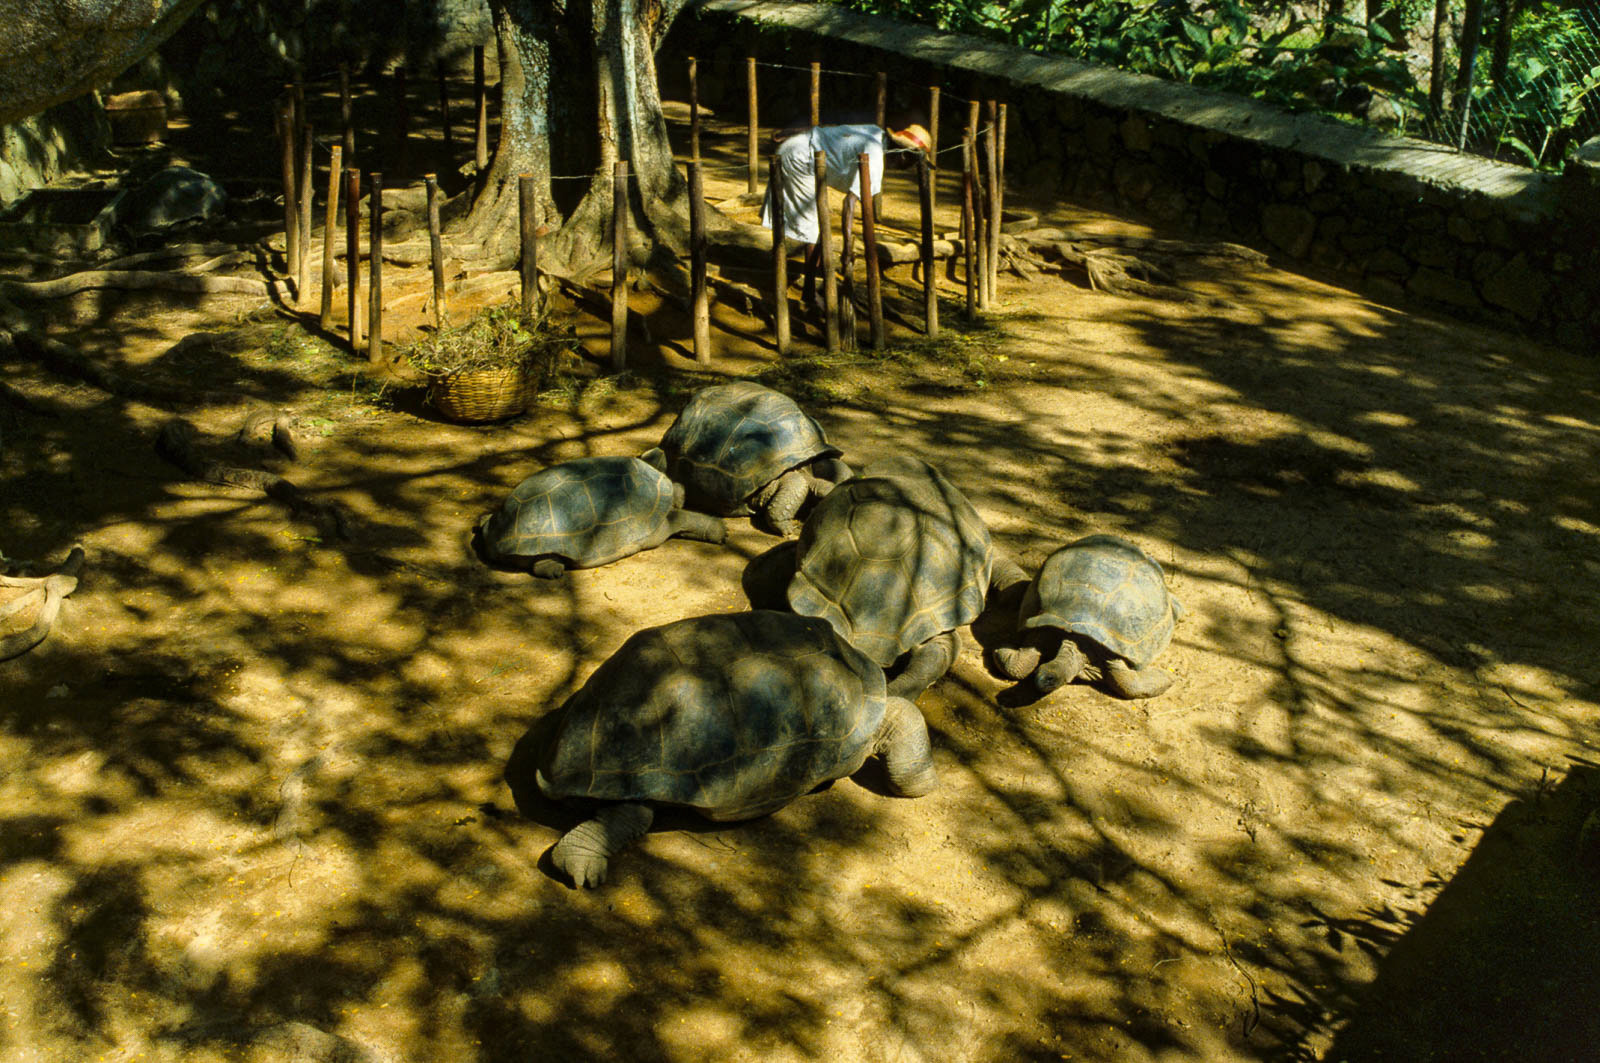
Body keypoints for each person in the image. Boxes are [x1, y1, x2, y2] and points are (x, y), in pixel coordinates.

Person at [761, 119, 931, 314]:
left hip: (800, 149)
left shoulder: (874, 133)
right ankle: (809, 293)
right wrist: (848, 247)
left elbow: (834, 130)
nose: (906, 169)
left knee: (815, 226)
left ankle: (810, 288)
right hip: (799, 157)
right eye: (910, 164)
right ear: (904, 156)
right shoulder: (874, 156)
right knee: (813, 229)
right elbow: (849, 202)